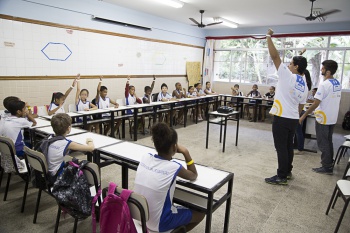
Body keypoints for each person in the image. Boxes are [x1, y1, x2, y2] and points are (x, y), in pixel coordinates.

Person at [133, 122, 205, 232]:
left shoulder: (145, 157)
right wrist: (186, 152)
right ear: (174, 147)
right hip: (159, 223)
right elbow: (193, 175)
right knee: (201, 213)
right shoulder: (174, 167)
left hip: (139, 216)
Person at [265, 28, 308, 185]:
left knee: (281, 148)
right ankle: (288, 171)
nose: (288, 65)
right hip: (293, 118)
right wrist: (294, 116)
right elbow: (302, 104)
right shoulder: (304, 83)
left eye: (291, 64)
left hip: (282, 119)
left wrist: (268, 36)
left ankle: (281, 176)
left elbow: (275, 56)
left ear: (296, 67)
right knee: (289, 146)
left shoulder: (287, 76)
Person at [300, 60, 342, 175]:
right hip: (332, 117)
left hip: (323, 118)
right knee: (328, 141)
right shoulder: (337, 83)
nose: (321, 70)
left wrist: (303, 115)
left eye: (322, 68)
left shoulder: (324, 84)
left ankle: (326, 166)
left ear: (328, 72)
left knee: (323, 142)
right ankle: (329, 162)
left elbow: (315, 103)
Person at [46, 113, 94, 183]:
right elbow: (91, 148)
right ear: (68, 128)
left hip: (49, 174)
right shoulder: (66, 143)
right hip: (57, 177)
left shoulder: (49, 138)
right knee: (83, 165)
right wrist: (90, 140)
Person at [294, 70, 312, 155]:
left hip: (300, 110)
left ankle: (300, 149)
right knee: (297, 131)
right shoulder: (306, 84)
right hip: (299, 109)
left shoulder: (303, 85)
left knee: (298, 131)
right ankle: (296, 146)